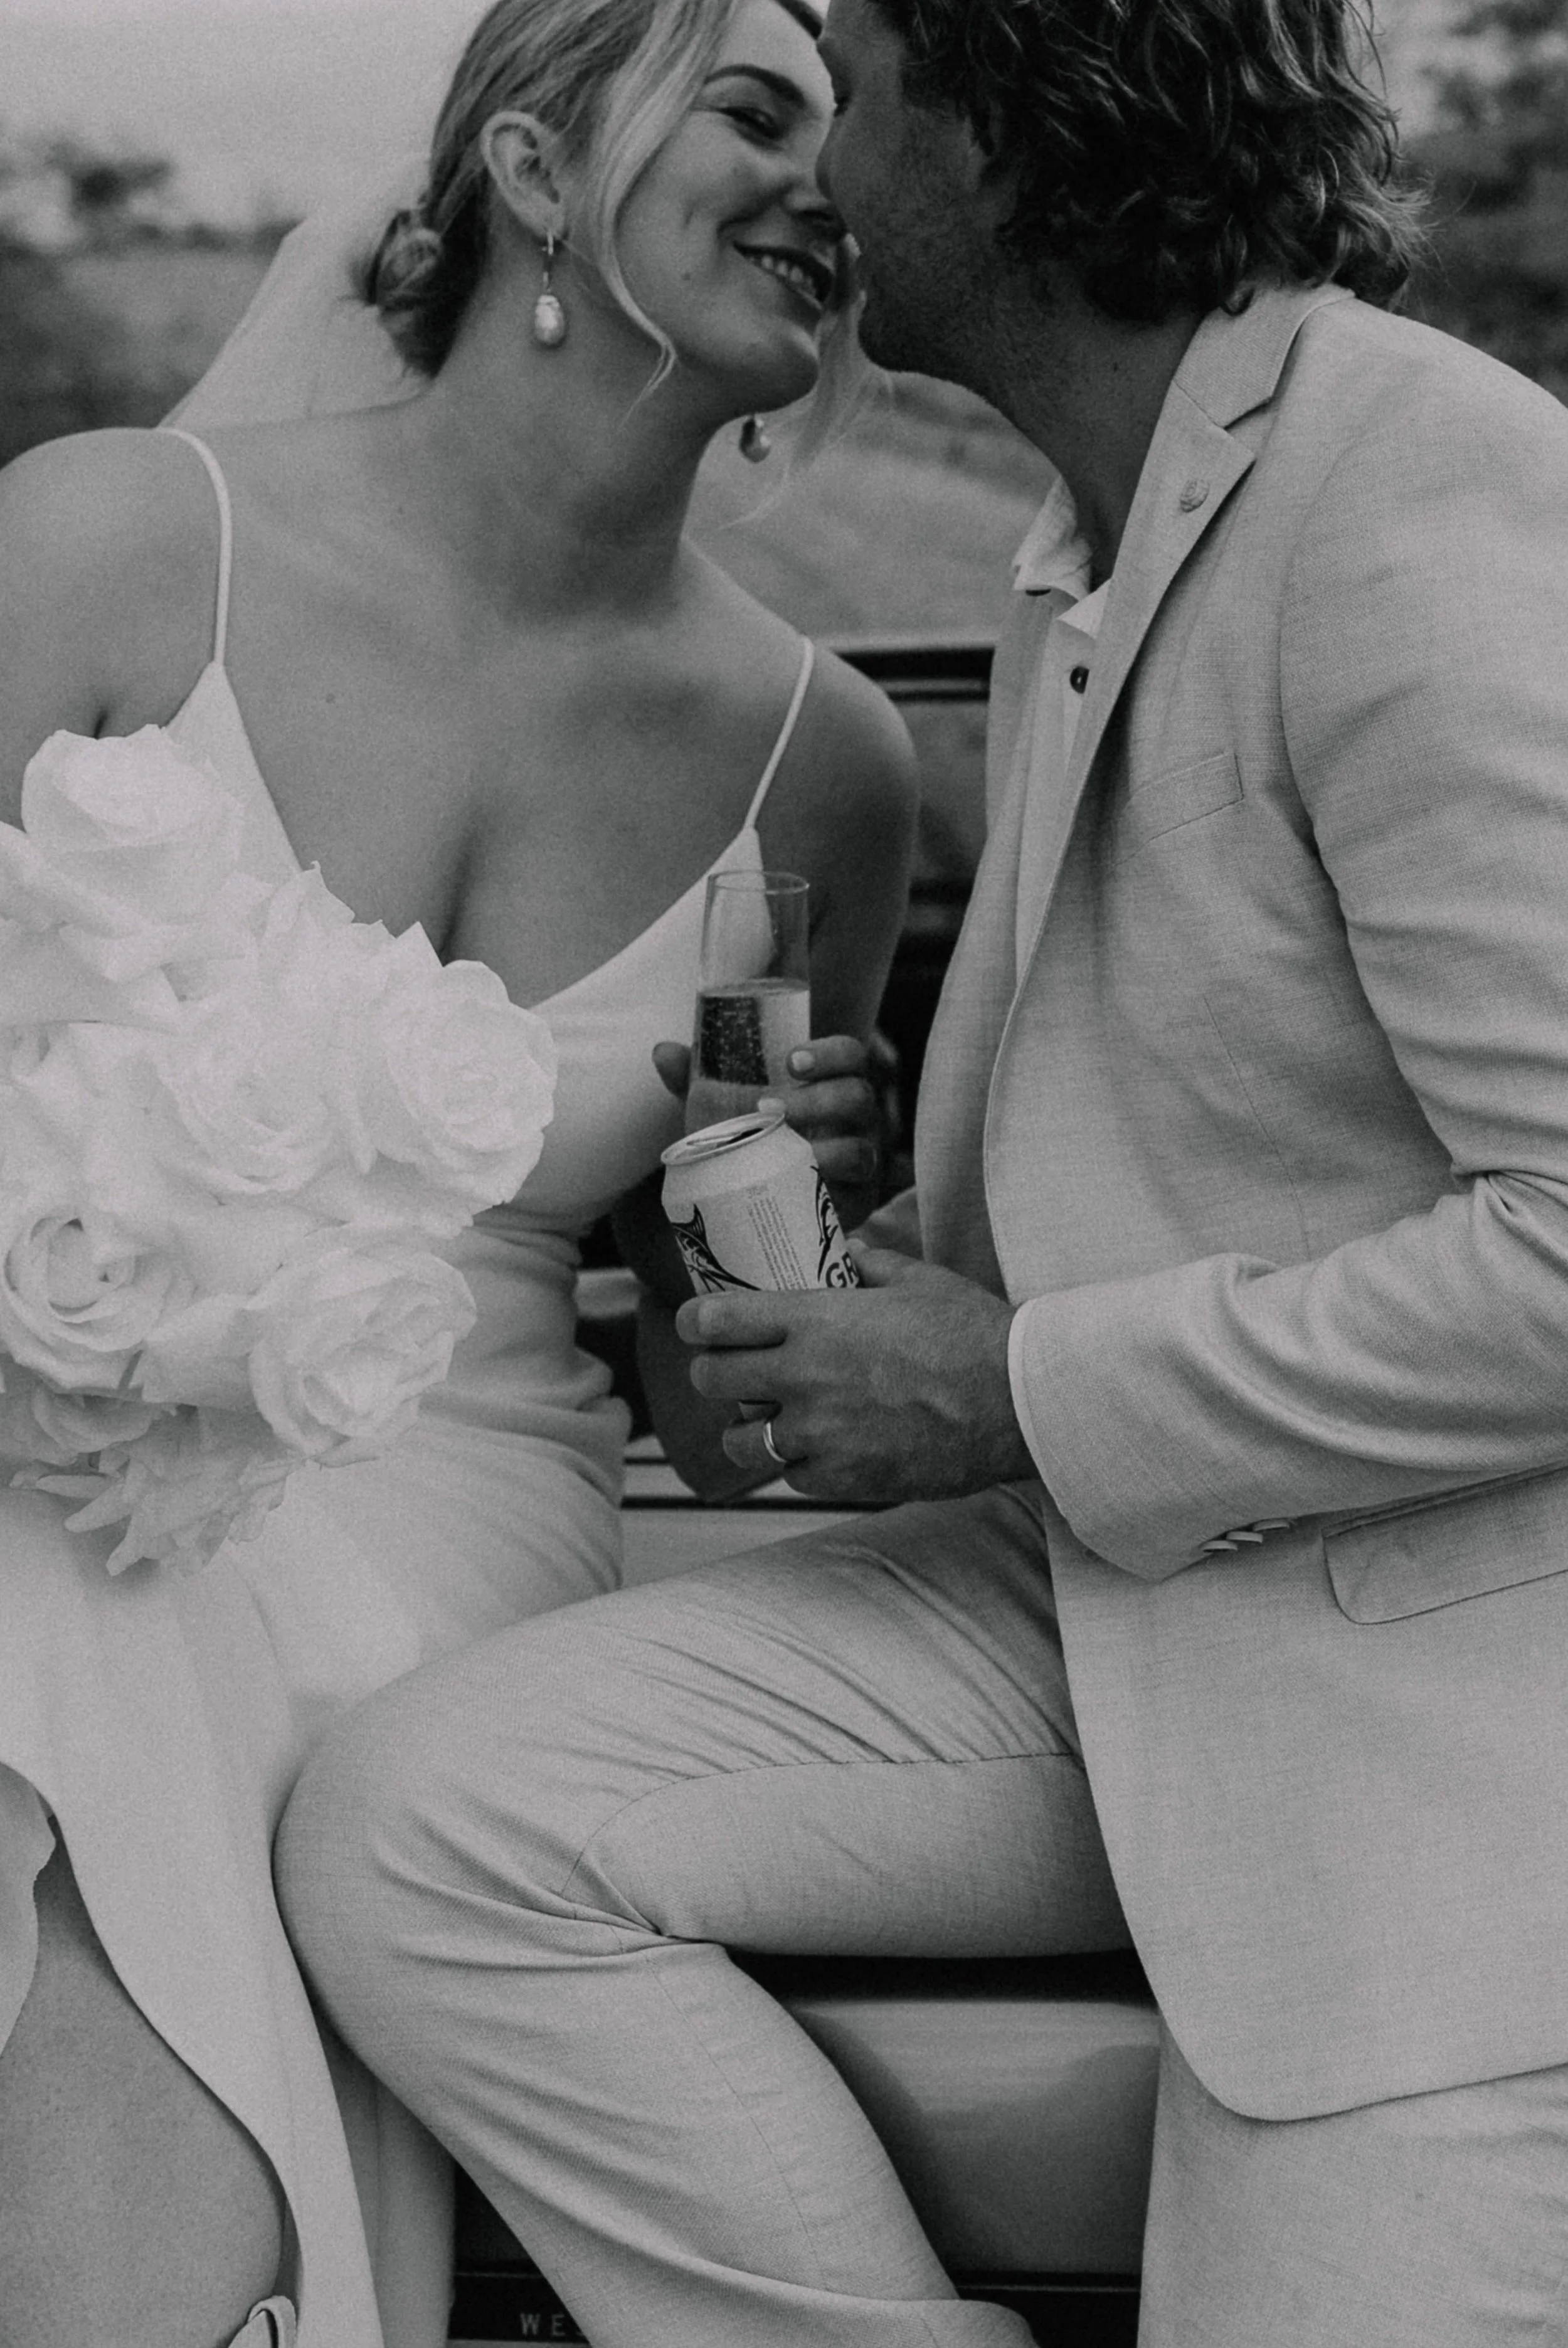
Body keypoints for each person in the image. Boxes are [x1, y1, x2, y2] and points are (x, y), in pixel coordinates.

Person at [274, 0, 1568, 2341]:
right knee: (419, 1826)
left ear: (1011, 117)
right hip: (1123, 1580)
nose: (821, 168)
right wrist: (877, 1252)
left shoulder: (1411, 501)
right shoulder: (1108, 529)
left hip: (1443, 1709)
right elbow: (1218, 1164)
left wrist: (1016, 1385)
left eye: (845, 86)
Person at [0, 1, 918, 2342]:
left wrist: (792, 1197)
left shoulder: (815, 763)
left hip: (452, 1490)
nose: (833, 172)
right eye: (752, 107)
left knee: (86, 1623)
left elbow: (736, 1413)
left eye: (859, 129)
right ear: (528, 159)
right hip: (43, 1393)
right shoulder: (109, 540)